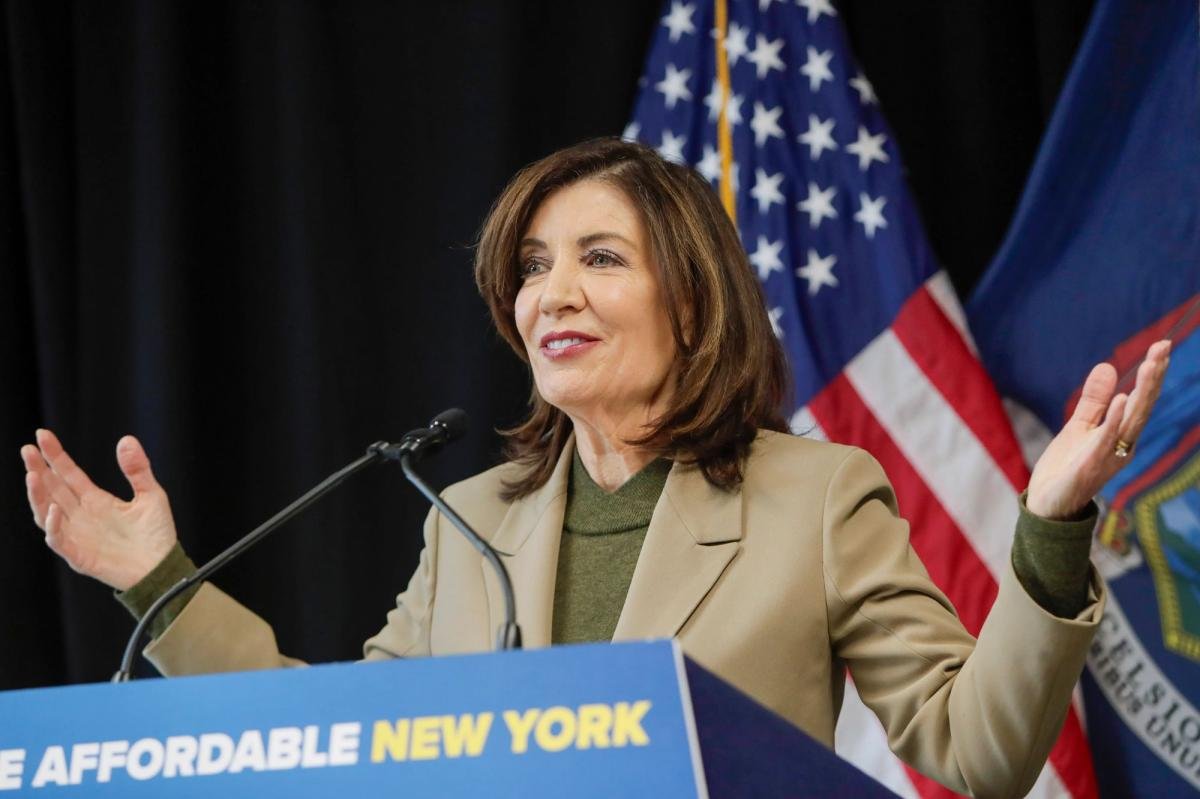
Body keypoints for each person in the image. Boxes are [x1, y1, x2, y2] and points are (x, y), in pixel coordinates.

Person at [21, 138, 1170, 798]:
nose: (551, 293)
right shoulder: (469, 517)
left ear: (692, 299)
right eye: (532, 266)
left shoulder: (815, 497)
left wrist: (1048, 525)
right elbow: (339, 745)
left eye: (600, 258)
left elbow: (979, 750)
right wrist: (159, 581)